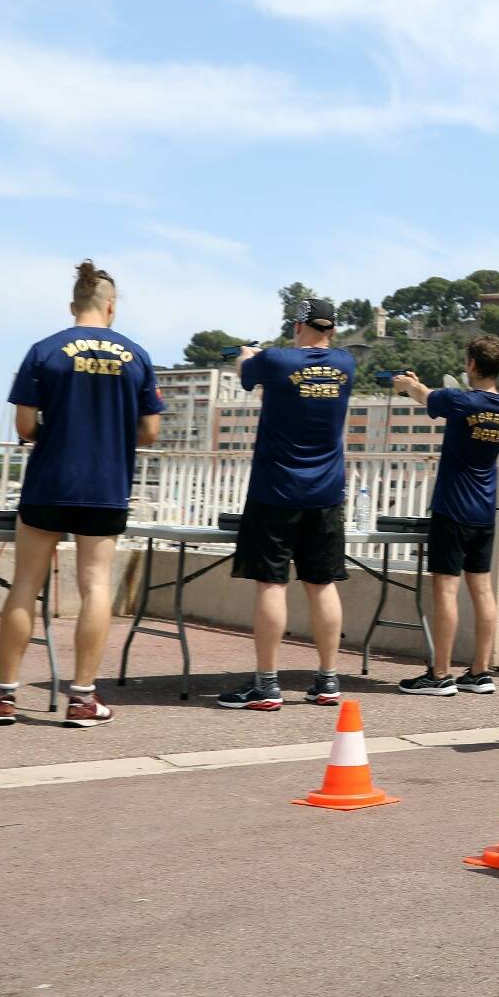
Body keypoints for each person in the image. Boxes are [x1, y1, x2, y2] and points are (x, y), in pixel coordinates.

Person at [0, 262, 165, 727]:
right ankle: (82, 699)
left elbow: (24, 425)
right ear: (111, 306)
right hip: (106, 485)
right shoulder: (137, 356)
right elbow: (150, 432)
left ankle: (3, 697)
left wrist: (57, 432)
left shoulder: (45, 350)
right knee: (95, 585)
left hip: (49, 482)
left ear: (72, 306)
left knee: (25, 584)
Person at [218, 298, 356, 711]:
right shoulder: (346, 365)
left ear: (298, 325)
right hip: (326, 493)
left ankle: (267, 684)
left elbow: (246, 374)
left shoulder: (276, 360)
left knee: (272, 583)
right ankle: (328, 680)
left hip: (276, 491)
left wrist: (247, 356)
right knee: (322, 584)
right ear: (332, 329)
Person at [390, 335, 499, 696]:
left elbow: (424, 396)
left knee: (445, 589)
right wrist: (418, 388)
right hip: (483, 511)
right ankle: (480, 671)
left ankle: (440, 674)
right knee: (482, 589)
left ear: (472, 364)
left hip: (453, 508)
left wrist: (407, 385)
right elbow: (435, 396)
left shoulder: (460, 400)